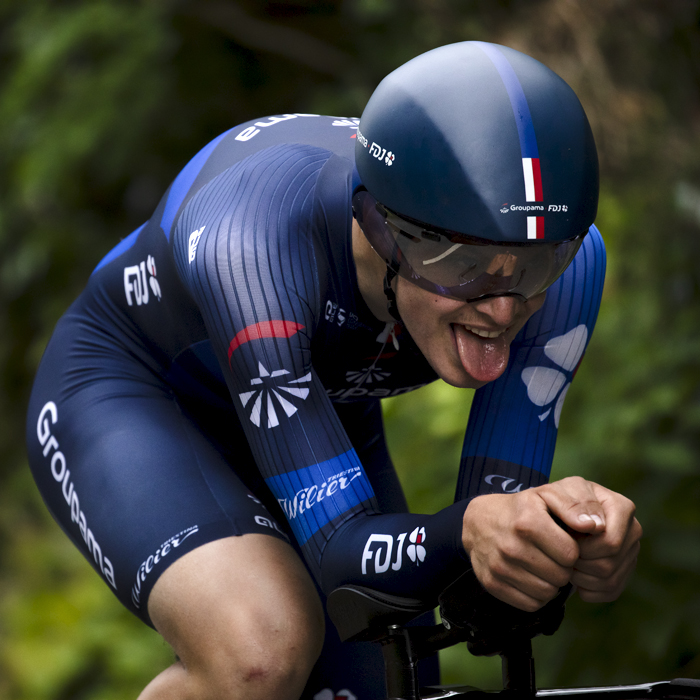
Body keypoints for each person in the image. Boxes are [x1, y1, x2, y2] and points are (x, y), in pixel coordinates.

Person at [26, 41, 641, 700]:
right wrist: (470, 530)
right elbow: (346, 554)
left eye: (535, 267)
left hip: (316, 405)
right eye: (470, 268)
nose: (503, 305)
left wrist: (562, 541)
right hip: (134, 394)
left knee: (391, 670)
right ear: (389, 232)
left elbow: (479, 565)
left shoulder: (572, 266)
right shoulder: (254, 245)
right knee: (258, 651)